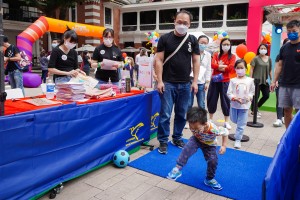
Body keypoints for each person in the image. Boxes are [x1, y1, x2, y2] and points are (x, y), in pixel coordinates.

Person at [154, 10, 200, 154]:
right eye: (179, 22)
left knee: (181, 114)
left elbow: (196, 60)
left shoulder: (192, 40)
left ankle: (177, 137)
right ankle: (162, 140)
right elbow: (158, 60)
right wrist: (160, 81)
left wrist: (195, 81)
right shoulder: (165, 39)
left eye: (185, 23)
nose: (182, 25)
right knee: (165, 114)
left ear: (190, 25)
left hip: (186, 84)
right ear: (174, 21)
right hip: (168, 83)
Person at [167, 107, 228, 191]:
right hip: (197, 140)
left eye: (197, 129)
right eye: (192, 128)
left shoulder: (213, 129)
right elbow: (195, 130)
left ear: (205, 124)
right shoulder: (194, 124)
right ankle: (177, 168)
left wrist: (224, 146)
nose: (195, 130)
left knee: (213, 160)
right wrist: (196, 132)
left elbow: (225, 132)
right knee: (187, 148)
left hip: (209, 145)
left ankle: (209, 179)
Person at [270, 20, 300, 129]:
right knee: (287, 111)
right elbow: (279, 65)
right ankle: (288, 136)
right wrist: (274, 81)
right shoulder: (284, 47)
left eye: (294, 31)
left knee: (298, 113)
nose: (291, 33)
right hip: (284, 84)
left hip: (298, 85)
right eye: (289, 31)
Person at [207, 38, 236, 130]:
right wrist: (222, 67)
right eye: (224, 44)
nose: (226, 46)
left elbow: (231, 68)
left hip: (225, 81)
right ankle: (210, 119)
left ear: (230, 46)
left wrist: (218, 67)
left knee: (225, 101)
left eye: (228, 44)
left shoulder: (232, 56)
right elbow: (212, 65)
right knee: (212, 99)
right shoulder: (216, 54)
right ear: (221, 45)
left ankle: (226, 121)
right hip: (215, 80)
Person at [185, 35, 211, 129]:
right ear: (197, 42)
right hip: (190, 81)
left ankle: (203, 121)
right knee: (189, 103)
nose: (203, 44)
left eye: (205, 43)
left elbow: (208, 69)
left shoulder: (207, 55)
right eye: (201, 42)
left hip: (202, 82)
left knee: (202, 103)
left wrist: (207, 82)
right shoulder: (192, 52)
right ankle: (188, 121)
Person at [227, 59, 255, 148]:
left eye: (241, 68)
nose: (240, 69)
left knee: (241, 123)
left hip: (244, 106)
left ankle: (238, 139)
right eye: (238, 68)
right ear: (235, 69)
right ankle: (238, 131)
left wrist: (249, 97)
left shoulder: (250, 80)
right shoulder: (232, 80)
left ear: (246, 69)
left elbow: (252, 92)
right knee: (234, 120)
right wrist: (234, 98)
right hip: (234, 105)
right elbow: (229, 93)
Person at [249, 43, 272, 118]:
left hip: (264, 81)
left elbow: (270, 70)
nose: (263, 50)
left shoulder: (269, 59)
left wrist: (272, 80)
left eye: (264, 48)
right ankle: (254, 111)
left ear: (266, 50)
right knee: (256, 96)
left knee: (266, 95)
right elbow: (251, 69)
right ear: (259, 49)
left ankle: (256, 107)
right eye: (261, 48)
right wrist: (251, 79)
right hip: (256, 80)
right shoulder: (256, 58)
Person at [272, 38, 289, 127]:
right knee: (280, 100)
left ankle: (284, 117)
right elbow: (277, 68)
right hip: (281, 81)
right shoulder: (280, 55)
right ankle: (279, 118)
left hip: (293, 83)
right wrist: (275, 80)